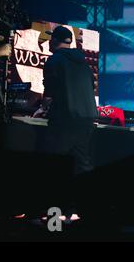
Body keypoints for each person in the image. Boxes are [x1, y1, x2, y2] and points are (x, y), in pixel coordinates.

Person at [34, 25, 97, 176]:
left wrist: (41, 109)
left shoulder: (54, 60)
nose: (49, 41)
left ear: (54, 40)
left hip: (65, 121)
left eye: (51, 38)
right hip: (86, 121)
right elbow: (91, 87)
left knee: (53, 163)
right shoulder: (84, 64)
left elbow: (49, 94)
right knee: (82, 164)